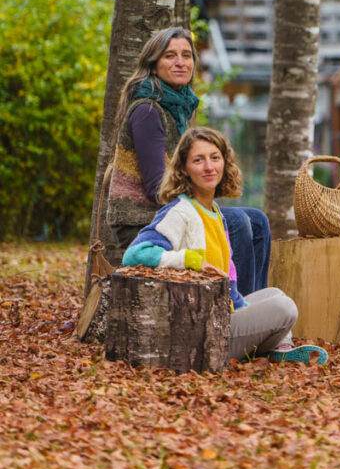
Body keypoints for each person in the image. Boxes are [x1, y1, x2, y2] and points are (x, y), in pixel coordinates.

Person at [123, 127, 327, 364]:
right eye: (198, 160)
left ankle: (278, 346)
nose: (209, 167)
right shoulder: (179, 213)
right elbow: (135, 254)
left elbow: (228, 280)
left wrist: (245, 309)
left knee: (274, 295)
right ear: (183, 169)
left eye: (215, 158)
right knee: (284, 308)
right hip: (201, 333)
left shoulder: (214, 212)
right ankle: (273, 343)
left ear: (224, 163)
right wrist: (189, 260)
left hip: (221, 313)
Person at [106, 26, 270, 292]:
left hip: (167, 211)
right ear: (153, 63)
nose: (180, 62)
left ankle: (253, 303)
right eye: (170, 56)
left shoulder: (177, 107)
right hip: (143, 221)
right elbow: (156, 187)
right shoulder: (148, 110)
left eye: (186, 55)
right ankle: (234, 310)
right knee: (238, 223)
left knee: (258, 221)